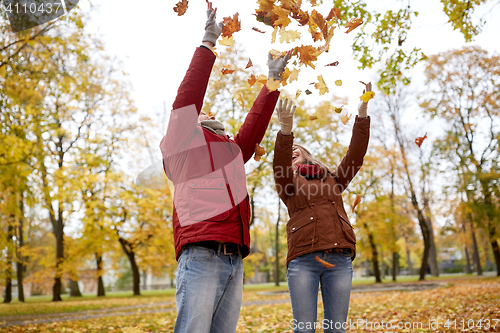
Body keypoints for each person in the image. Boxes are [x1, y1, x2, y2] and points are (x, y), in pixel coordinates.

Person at [159, 3, 291, 333]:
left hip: (234, 256)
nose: (205, 111)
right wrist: (208, 42)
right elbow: (188, 97)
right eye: (201, 112)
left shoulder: (231, 150)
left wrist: (273, 81)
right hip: (201, 254)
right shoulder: (183, 144)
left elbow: (255, 124)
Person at [272, 83, 372, 333]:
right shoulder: (288, 181)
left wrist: (361, 115)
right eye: (290, 152)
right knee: (304, 329)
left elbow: (355, 156)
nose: (293, 152)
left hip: (338, 258)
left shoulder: (334, 179)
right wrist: (286, 131)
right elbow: (280, 162)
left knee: (336, 329)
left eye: (298, 150)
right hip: (303, 259)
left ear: (308, 155)